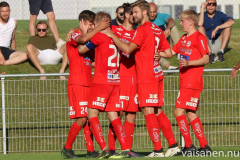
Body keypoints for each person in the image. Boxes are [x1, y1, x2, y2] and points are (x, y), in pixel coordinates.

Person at [102, 0, 181, 157]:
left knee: (147, 111)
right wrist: (158, 55)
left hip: (145, 75)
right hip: (156, 72)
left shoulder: (142, 29)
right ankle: (173, 145)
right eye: (132, 12)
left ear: (144, 12)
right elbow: (169, 53)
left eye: (136, 12)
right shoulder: (156, 29)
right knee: (157, 110)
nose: (133, 15)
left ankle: (158, 149)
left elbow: (128, 48)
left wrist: (112, 35)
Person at [78, 11, 131, 159]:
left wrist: (85, 32)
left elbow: (81, 49)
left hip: (102, 81)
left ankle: (104, 149)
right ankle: (125, 148)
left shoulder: (99, 35)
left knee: (92, 114)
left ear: (100, 23)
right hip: (115, 80)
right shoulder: (117, 36)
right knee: (113, 116)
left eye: (94, 23)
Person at [61, 10, 110, 159]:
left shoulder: (90, 40)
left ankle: (90, 150)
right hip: (78, 83)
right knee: (82, 118)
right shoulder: (74, 34)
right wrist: (98, 28)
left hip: (89, 83)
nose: (91, 27)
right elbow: (81, 40)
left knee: (89, 118)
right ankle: (67, 148)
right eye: (90, 24)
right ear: (82, 22)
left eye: (93, 25)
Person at [171, 10, 211, 155]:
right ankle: (204, 147)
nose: (180, 23)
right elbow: (170, 53)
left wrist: (189, 63)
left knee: (178, 111)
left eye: (182, 21)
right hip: (185, 81)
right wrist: (155, 52)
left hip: (192, 81)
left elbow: (206, 58)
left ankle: (188, 146)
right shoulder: (183, 38)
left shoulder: (199, 37)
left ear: (190, 22)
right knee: (191, 113)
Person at [108, 3, 142, 157]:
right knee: (117, 113)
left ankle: (127, 149)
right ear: (127, 15)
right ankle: (111, 148)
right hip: (119, 77)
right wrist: (71, 30)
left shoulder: (138, 33)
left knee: (131, 114)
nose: (136, 16)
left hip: (134, 77)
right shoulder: (114, 30)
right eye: (133, 14)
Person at [149, 2, 179, 70]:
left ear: (157, 10)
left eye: (154, 12)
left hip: (167, 44)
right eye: (150, 12)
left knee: (173, 27)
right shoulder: (145, 20)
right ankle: (169, 66)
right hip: (155, 48)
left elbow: (171, 20)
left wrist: (168, 28)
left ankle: (179, 53)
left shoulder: (162, 16)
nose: (152, 14)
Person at [0, 1, 27, 66]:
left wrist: (14, 52)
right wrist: (1, 56)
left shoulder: (13, 22)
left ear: (10, 11)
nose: (5, 13)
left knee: (25, 56)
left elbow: (13, 39)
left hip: (5, 49)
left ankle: (4, 63)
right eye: (2, 11)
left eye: (7, 11)